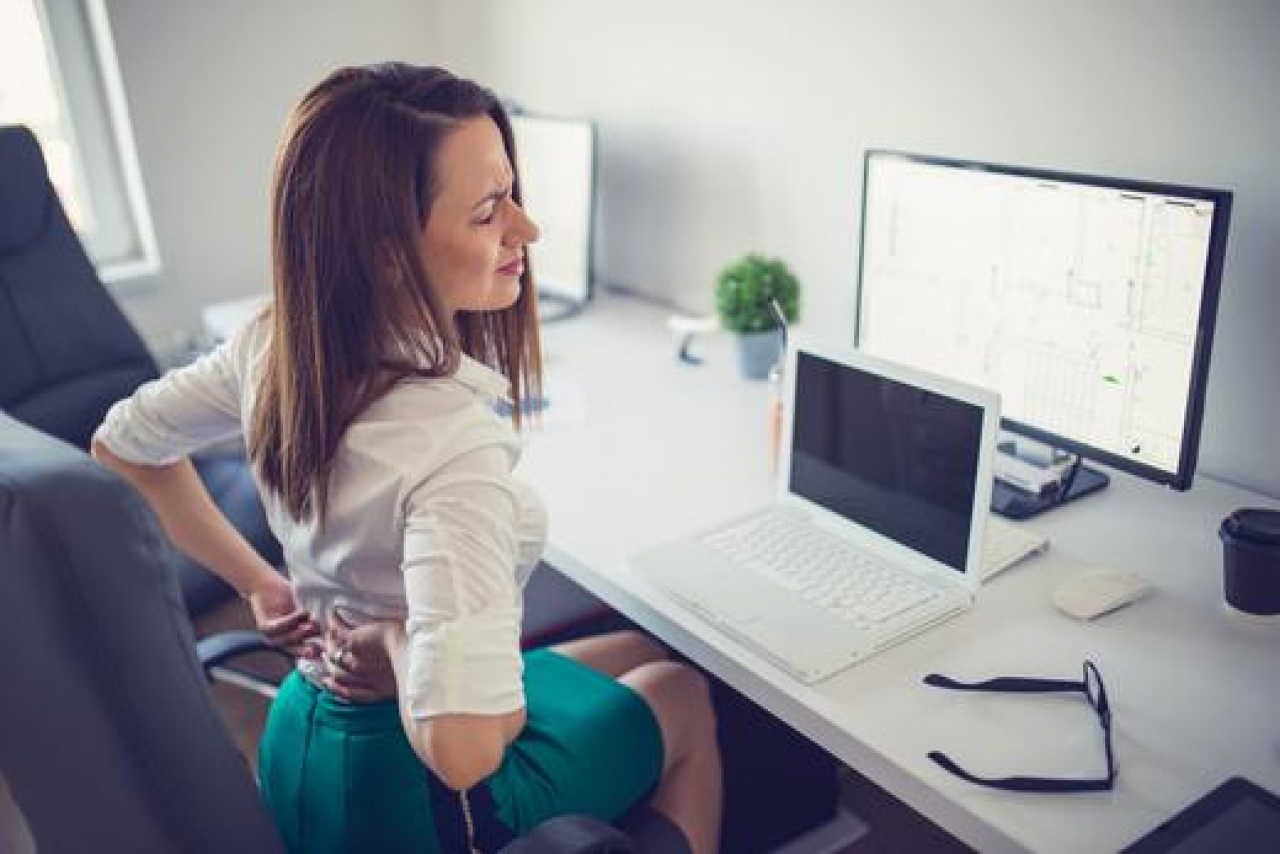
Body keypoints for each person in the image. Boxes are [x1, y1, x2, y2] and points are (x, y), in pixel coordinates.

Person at [92, 62, 722, 854]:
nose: (526, 231)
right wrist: (394, 641)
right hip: (414, 789)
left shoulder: (279, 342)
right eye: (490, 211)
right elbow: (463, 752)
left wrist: (259, 584)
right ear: (387, 252)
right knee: (682, 689)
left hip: (301, 734)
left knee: (635, 650)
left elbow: (123, 446)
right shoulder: (448, 450)